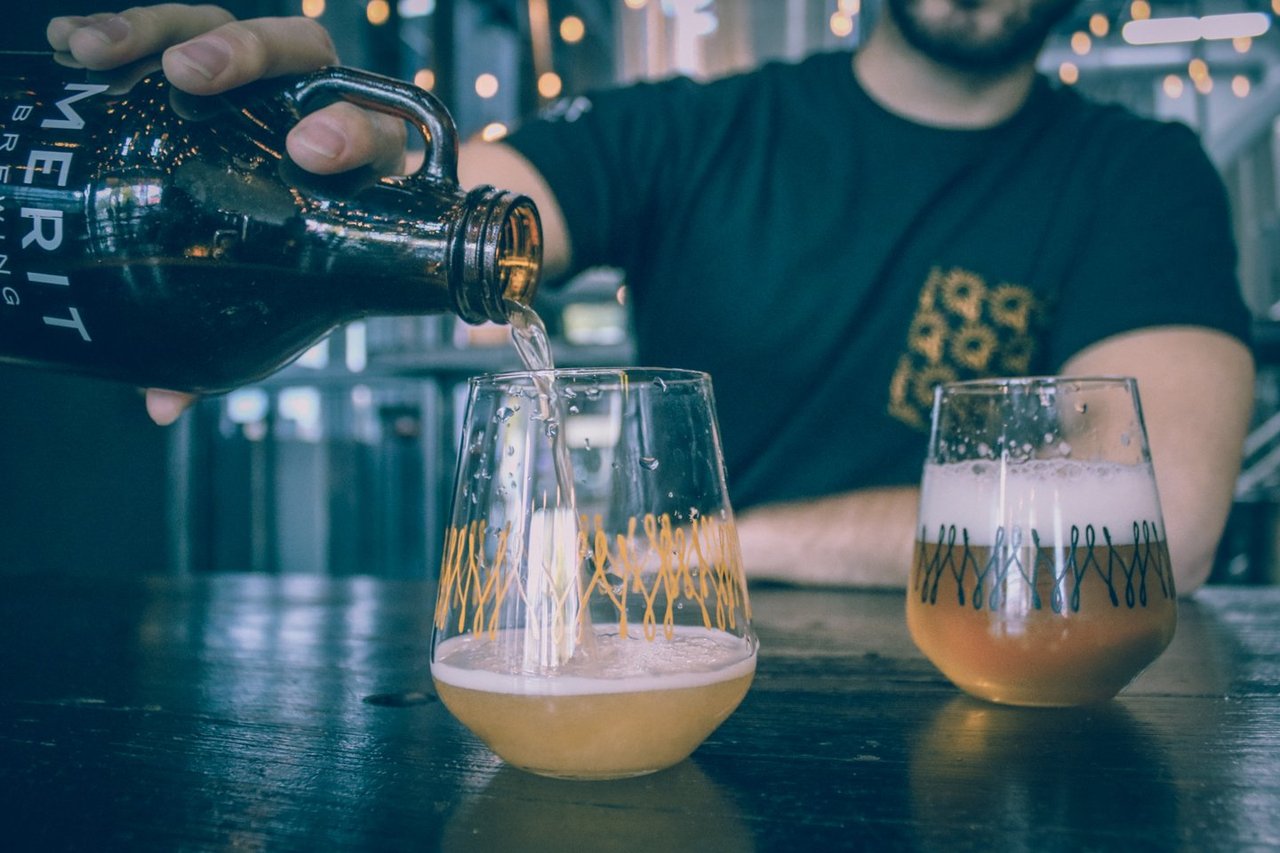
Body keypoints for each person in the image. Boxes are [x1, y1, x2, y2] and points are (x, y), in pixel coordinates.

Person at [46, 0, 1256, 593]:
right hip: (690, 692)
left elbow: (1160, 521)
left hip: (1014, 698)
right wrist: (291, 158)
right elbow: (457, 207)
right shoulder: (696, 132)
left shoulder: (1137, 176)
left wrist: (722, 546)